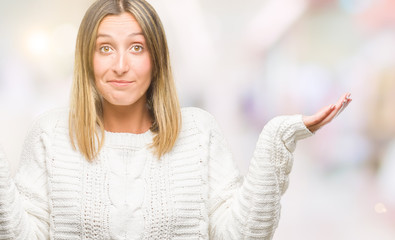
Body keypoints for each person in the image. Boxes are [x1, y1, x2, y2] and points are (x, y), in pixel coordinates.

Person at [0, 0, 352, 239]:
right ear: (86, 60)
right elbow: (23, 234)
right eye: (105, 48)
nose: (120, 65)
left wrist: (279, 135)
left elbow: (241, 233)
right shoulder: (50, 134)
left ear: (157, 60)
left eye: (137, 47)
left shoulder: (198, 133)